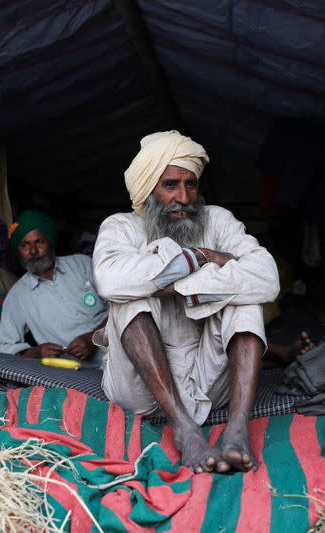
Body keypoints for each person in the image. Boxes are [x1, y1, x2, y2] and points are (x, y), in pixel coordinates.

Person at [92, 131, 279, 473]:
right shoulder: (121, 228)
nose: (184, 197)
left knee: (247, 300)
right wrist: (209, 265)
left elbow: (267, 279)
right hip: (139, 390)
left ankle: (237, 429)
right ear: (148, 188)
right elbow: (109, 281)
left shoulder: (217, 220)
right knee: (127, 300)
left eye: (191, 184)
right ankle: (184, 429)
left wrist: (190, 268)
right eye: (171, 185)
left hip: (208, 382)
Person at [0, 210, 108, 366]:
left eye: (39, 242)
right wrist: (36, 352)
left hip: (122, 352)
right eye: (24, 245)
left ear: (51, 243)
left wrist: (94, 338)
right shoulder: (17, 295)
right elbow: (2, 348)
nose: (33, 251)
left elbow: (122, 306)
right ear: (18, 252)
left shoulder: (82, 265)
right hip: (77, 372)